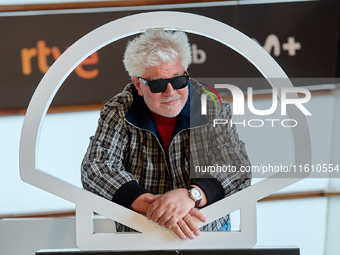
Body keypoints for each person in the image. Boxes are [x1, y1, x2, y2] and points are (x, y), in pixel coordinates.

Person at [81, 29, 251, 240]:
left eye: (179, 80)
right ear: (138, 84)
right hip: (141, 237)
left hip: (207, 236)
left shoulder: (213, 106)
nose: (171, 91)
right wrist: (153, 206)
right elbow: (96, 168)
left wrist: (191, 195)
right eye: (159, 84)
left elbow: (237, 167)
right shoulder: (119, 110)